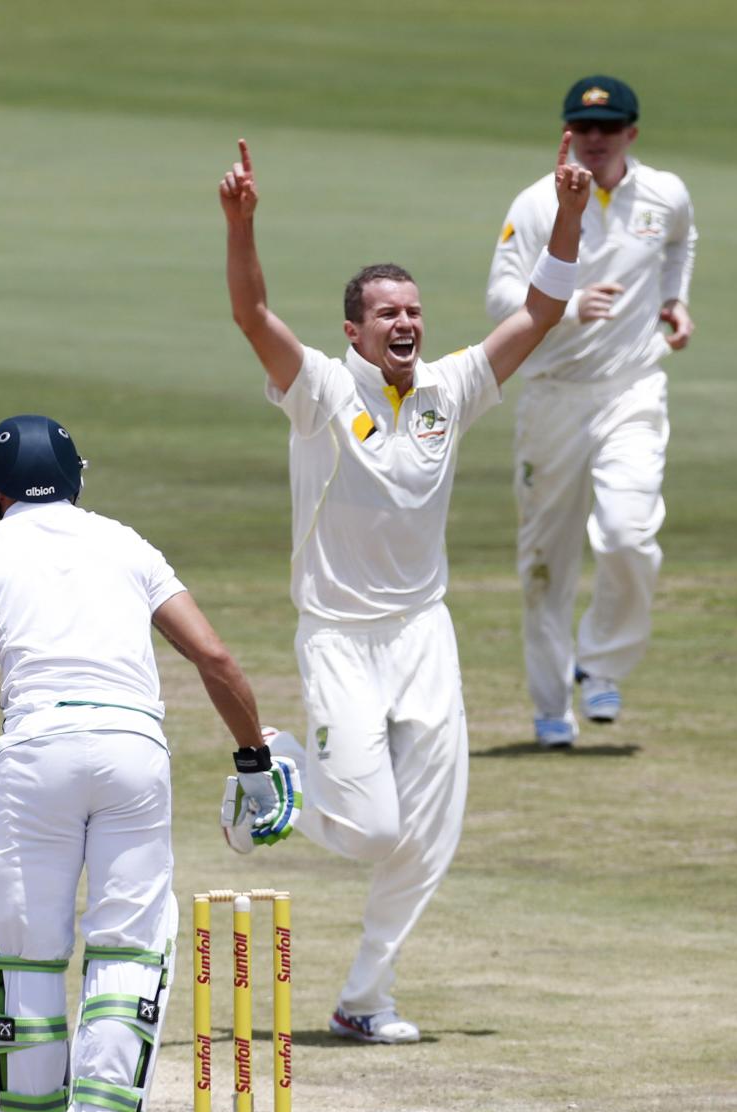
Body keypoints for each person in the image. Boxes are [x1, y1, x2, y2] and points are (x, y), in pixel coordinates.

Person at [218, 135, 590, 1041]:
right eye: (386, 312)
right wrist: (241, 225)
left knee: (430, 832)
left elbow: (541, 310)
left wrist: (572, 215)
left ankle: (365, 997)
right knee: (376, 827)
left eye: (414, 309)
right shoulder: (315, 389)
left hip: (424, 631)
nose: (405, 322)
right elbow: (252, 312)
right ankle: (272, 779)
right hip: (339, 635)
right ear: (353, 329)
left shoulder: (450, 389)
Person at [0, 414, 298, 1112]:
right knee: (129, 952)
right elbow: (214, 657)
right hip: (132, 753)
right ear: (78, 476)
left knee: (29, 953)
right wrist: (254, 757)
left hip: (36, 754)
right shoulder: (125, 542)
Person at [486, 75, 697, 747]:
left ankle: (602, 662)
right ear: (566, 133)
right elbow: (499, 300)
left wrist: (673, 298)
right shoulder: (536, 203)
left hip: (632, 388)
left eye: (609, 129)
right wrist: (571, 308)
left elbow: (679, 243)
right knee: (545, 564)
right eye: (583, 128)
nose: (596, 139)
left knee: (629, 534)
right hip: (553, 395)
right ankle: (552, 711)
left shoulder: (665, 194)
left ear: (631, 133)